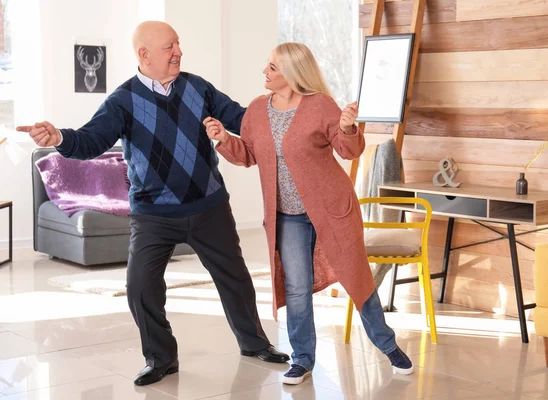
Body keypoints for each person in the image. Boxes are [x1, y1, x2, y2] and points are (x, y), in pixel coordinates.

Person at [17, 21, 289, 387]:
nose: (178, 51)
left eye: (178, 43)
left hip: (209, 206)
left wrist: (289, 106)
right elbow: (90, 140)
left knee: (236, 280)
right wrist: (60, 136)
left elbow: (243, 119)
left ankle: (254, 343)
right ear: (143, 54)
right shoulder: (122, 100)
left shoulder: (198, 88)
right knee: (141, 286)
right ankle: (161, 358)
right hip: (153, 215)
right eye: (168, 47)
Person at [204, 42, 414, 385]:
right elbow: (248, 155)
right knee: (297, 288)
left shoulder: (320, 106)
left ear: (291, 73)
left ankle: (389, 347)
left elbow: (348, 151)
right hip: (287, 217)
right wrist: (223, 138)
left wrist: (347, 128)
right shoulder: (257, 110)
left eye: (272, 67)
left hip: (332, 211)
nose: (265, 72)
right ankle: (302, 359)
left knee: (357, 278)